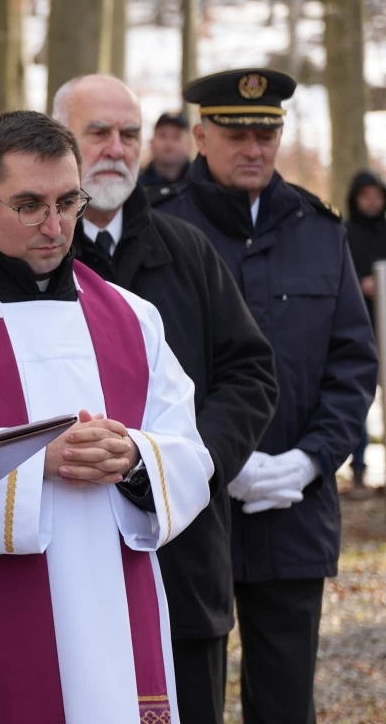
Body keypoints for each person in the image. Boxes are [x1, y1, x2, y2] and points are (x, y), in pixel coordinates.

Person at [0, 110, 213, 724]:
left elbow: (187, 451)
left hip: (113, 608)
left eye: (68, 202)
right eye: (29, 205)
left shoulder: (134, 319)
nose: (55, 226)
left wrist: (134, 458)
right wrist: (33, 458)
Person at [55, 74, 278, 724]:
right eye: (98, 132)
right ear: (60, 139)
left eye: (130, 134)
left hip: (181, 556)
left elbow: (251, 372)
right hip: (66, 560)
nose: (117, 149)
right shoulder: (26, 258)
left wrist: (180, 464)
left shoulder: (187, 251)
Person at [158, 68, 377, 724]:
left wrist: (311, 461)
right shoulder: (161, 233)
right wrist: (218, 459)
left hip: (294, 504)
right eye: (236, 133)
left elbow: (353, 363)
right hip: (192, 510)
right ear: (201, 135)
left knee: (286, 700)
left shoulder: (319, 228)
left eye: (268, 132)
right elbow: (147, 371)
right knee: (187, 694)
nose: (254, 147)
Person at [343, 169, 386, 499]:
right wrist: (361, 287)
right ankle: (357, 467)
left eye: (377, 196)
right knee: (358, 399)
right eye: (365, 197)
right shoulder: (345, 234)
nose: (371, 203)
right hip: (360, 330)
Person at [138, 110, 192, 206]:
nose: (169, 143)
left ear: (189, 145)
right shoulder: (136, 187)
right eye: (162, 136)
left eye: (176, 137)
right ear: (151, 143)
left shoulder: (200, 183)